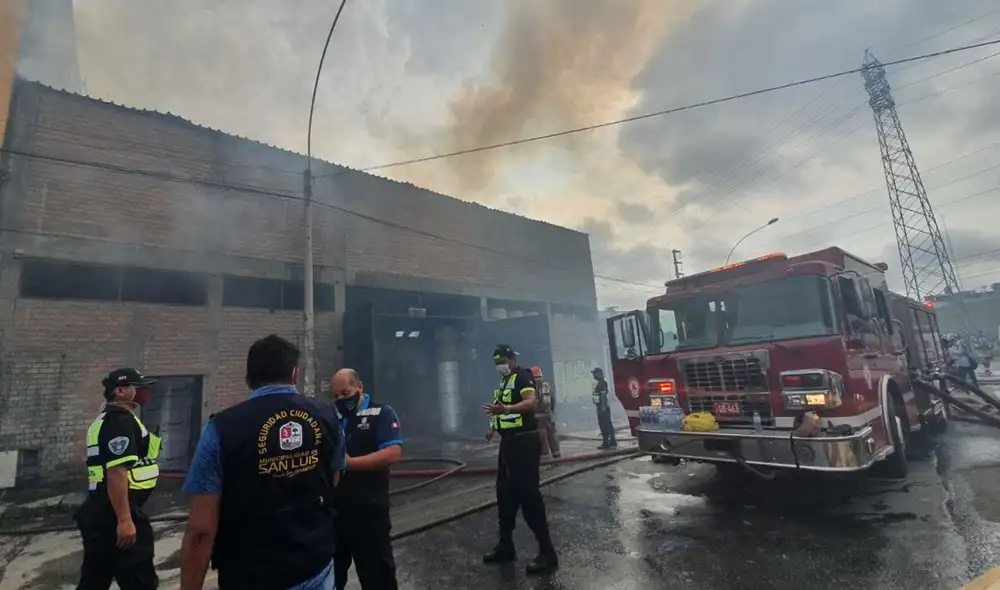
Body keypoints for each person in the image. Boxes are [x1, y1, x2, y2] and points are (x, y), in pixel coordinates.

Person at [179, 335, 345, 590]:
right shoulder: (327, 415)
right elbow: (334, 479)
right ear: (295, 374)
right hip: (315, 565)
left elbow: (201, 529)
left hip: (249, 573)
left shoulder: (221, 428)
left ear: (249, 379)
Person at [76, 368, 161, 590]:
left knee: (95, 579)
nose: (144, 391)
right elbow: (116, 472)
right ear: (121, 391)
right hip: (115, 512)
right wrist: (125, 520)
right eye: (138, 386)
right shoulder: (118, 422)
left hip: (103, 510)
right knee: (139, 581)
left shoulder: (111, 419)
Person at [482, 344, 558, 575]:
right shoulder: (505, 382)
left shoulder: (523, 377)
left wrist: (504, 410)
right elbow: (501, 410)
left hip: (525, 442)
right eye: (496, 363)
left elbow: (529, 403)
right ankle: (506, 545)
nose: (500, 366)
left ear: (512, 358)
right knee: (504, 494)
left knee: (528, 495)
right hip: (509, 443)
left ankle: (547, 552)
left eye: (502, 361)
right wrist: (494, 428)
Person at [330, 368, 404, 590]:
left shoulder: (381, 413)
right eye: (336, 396)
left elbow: (393, 453)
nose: (341, 400)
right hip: (334, 514)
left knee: (377, 577)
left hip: (369, 512)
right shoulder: (330, 416)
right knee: (331, 578)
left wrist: (349, 464)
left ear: (359, 387)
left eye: (345, 393)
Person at [530, 366, 560, 459]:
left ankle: (545, 457)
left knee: (541, 435)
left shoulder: (531, 387)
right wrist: (551, 411)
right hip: (547, 414)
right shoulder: (546, 385)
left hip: (537, 415)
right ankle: (556, 455)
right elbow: (553, 400)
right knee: (551, 433)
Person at [592, 367, 617, 450]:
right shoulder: (599, 383)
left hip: (602, 407)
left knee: (605, 425)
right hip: (601, 406)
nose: (593, 375)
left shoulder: (602, 383)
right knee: (606, 424)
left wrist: (603, 406)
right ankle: (611, 441)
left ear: (599, 374)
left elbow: (603, 395)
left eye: (595, 373)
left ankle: (607, 442)